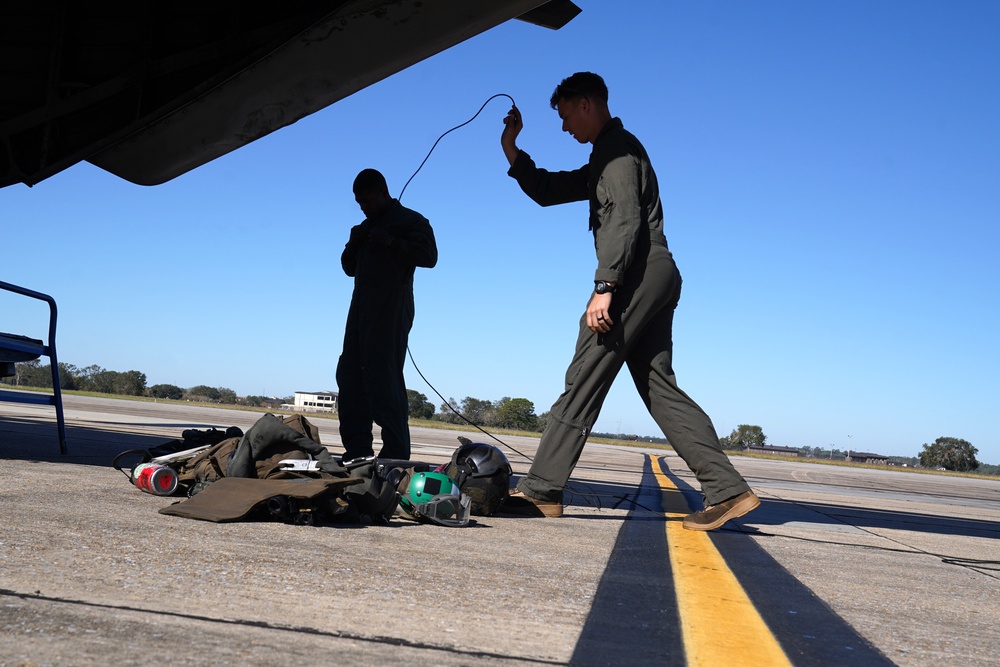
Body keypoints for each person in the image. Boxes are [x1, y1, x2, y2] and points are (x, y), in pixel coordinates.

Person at [499, 72, 758, 530]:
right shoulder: (608, 155)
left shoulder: (617, 151)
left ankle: (542, 489)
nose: (563, 128)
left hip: (636, 273)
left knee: (585, 374)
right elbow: (550, 190)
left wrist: (605, 287)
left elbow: (625, 220)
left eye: (563, 116)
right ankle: (728, 490)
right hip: (655, 273)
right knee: (659, 387)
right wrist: (512, 150)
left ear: (585, 104)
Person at [336, 168, 437, 463]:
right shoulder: (364, 228)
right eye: (359, 203)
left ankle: (395, 455)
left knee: (384, 379)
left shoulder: (410, 221)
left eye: (367, 200)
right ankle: (358, 452)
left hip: (391, 309)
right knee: (350, 375)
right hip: (360, 311)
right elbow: (348, 267)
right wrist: (355, 241)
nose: (364, 207)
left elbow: (429, 257)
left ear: (383, 192)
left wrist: (391, 241)